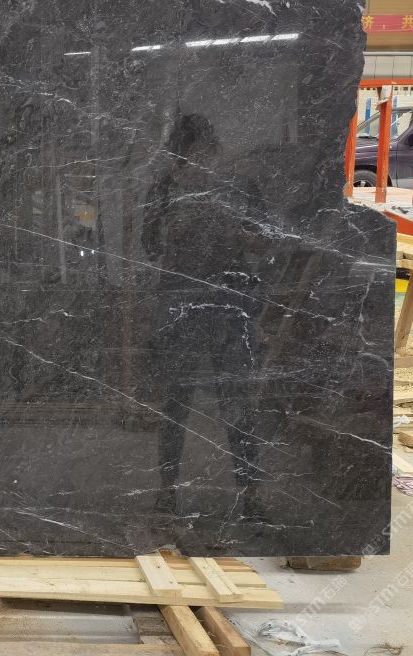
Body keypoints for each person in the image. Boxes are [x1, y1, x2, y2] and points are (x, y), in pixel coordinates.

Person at [141, 114, 266, 520]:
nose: (198, 161)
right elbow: (149, 244)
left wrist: (238, 234)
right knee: (177, 401)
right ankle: (167, 491)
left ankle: (250, 494)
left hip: (227, 302)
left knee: (235, 400)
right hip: (182, 301)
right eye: (188, 155)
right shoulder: (165, 189)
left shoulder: (239, 188)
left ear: (214, 150)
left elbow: (266, 240)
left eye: (204, 152)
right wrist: (173, 229)